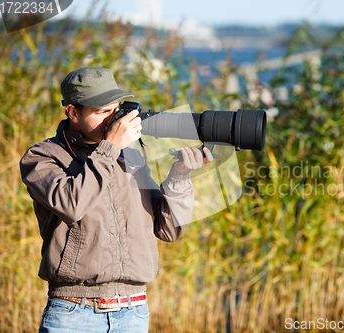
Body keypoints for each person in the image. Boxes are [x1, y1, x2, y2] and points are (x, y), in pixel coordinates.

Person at [19, 67, 212, 332]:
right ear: (73, 112)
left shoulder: (130, 157)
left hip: (133, 312)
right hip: (74, 312)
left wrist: (179, 176)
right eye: (102, 112)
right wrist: (109, 148)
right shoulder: (43, 157)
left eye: (116, 108)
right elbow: (72, 205)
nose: (114, 120)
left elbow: (169, 230)